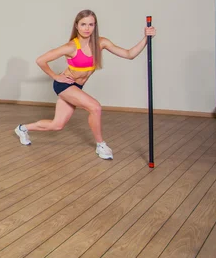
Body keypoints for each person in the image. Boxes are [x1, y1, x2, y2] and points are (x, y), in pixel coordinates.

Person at [14, 9, 156, 160]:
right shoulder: (71, 47)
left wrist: (146, 38)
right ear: (76, 26)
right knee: (95, 107)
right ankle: (101, 145)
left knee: (57, 125)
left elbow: (129, 54)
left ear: (95, 26)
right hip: (65, 86)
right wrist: (56, 76)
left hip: (76, 88)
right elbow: (40, 60)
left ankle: (22, 128)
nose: (87, 28)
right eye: (83, 24)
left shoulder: (101, 43)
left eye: (91, 24)